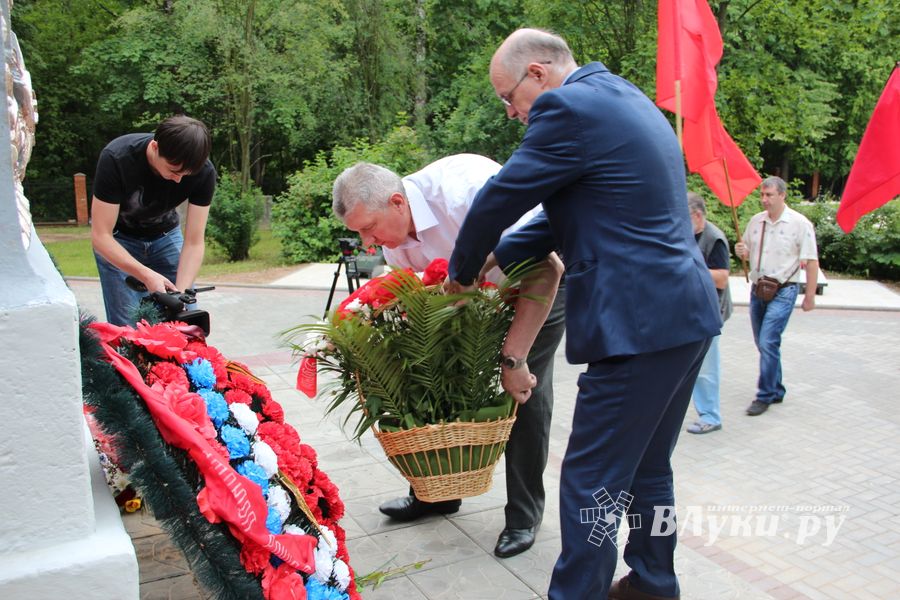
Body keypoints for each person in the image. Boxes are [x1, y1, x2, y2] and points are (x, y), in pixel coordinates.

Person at [444, 29, 721, 600]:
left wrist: (462, 271)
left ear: (538, 74)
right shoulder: (621, 97)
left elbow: (500, 195)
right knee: (648, 469)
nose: (511, 112)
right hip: (684, 315)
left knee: (591, 480)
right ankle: (651, 581)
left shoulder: (566, 108)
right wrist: (499, 258)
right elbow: (573, 214)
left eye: (509, 97)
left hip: (637, 325)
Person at [332, 155, 566, 559]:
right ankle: (436, 493)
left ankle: (523, 515)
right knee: (432, 376)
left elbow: (545, 267)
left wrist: (513, 360)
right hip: (472, 303)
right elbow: (431, 310)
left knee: (523, 392)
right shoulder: (396, 245)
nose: (368, 244)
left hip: (537, 287)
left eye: (369, 229)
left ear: (397, 202)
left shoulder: (466, 192)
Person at [91, 115, 216, 326]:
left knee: (186, 320)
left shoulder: (203, 172)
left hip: (166, 236)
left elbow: (194, 242)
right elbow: (101, 236)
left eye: (186, 174)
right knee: (127, 327)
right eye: (174, 171)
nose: (179, 180)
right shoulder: (117, 158)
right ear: (155, 147)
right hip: (118, 239)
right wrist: (146, 275)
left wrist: (179, 294)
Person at [734, 176, 818, 417]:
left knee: (769, 340)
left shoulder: (800, 224)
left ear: (782, 195)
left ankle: (764, 395)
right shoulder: (756, 222)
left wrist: (809, 296)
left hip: (784, 289)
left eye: (769, 195)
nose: (764, 200)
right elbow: (749, 252)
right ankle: (777, 388)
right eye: (762, 195)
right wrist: (743, 251)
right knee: (763, 342)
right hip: (758, 288)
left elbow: (811, 262)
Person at [686, 192, 733, 434]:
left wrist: (688, 268)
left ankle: (711, 416)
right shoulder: (687, 234)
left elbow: (722, 279)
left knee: (706, 366)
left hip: (710, 312)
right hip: (690, 310)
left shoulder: (714, 238)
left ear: (697, 215)